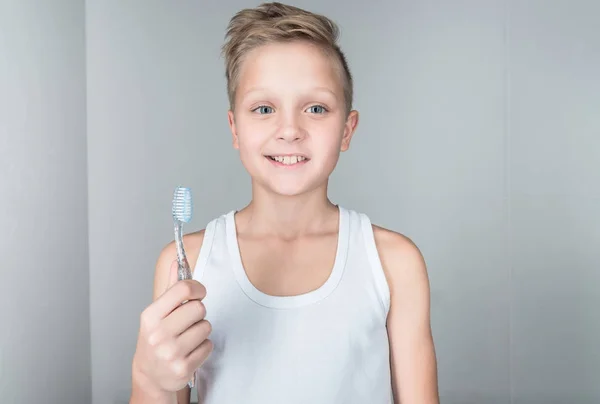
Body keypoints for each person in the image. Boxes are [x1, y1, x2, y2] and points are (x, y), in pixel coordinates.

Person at [130, 2, 439, 403]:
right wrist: (148, 378)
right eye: (263, 108)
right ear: (235, 129)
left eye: (316, 108)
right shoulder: (185, 263)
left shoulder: (394, 261)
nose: (290, 130)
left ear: (347, 130)